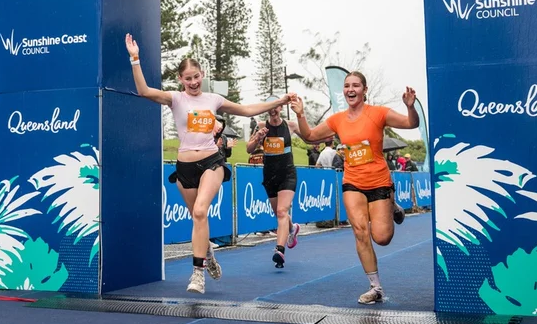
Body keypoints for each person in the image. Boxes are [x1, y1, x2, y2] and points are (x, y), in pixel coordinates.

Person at [125, 33, 291, 294]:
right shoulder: (176, 99)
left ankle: (197, 274)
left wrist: (278, 102)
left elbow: (247, 110)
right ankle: (209, 253)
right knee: (197, 217)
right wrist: (135, 59)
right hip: (185, 168)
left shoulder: (213, 100)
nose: (193, 82)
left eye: (196, 76)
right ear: (181, 80)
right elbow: (144, 91)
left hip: (211, 162)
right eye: (187, 78)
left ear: (203, 74)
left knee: (201, 211)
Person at [290, 71, 419, 305]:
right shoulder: (337, 119)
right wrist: (300, 114)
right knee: (360, 232)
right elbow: (309, 136)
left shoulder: (378, 114)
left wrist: (410, 107)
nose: (350, 89)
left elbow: (412, 123)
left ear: (364, 90)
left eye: (356, 85)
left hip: (379, 182)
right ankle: (375, 287)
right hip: (353, 182)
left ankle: (391, 206)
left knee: (382, 238)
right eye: (347, 85)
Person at [245, 96, 311, 268]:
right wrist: (258, 138)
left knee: (282, 211)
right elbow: (249, 149)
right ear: (268, 108)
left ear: (281, 108)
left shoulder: (290, 126)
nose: (273, 110)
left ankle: (279, 250)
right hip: (269, 174)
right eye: (270, 107)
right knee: (279, 213)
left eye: (277, 107)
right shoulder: (260, 125)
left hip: (287, 173)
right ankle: (292, 228)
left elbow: (310, 138)